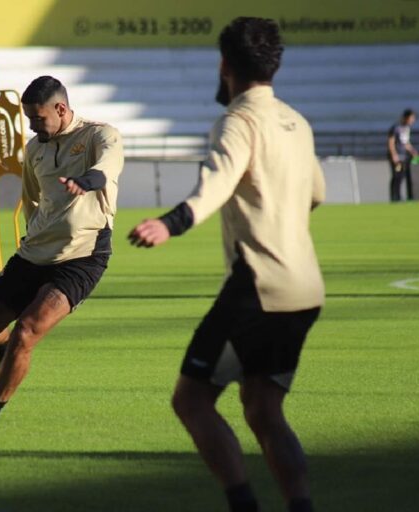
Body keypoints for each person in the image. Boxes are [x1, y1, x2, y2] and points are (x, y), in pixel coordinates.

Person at [128, 18, 324, 512]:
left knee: (191, 401)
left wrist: (170, 223)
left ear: (224, 65)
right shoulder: (296, 122)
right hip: (306, 288)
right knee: (263, 409)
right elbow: (316, 194)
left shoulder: (238, 121)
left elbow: (215, 185)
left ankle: (244, 506)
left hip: (259, 286)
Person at [0, 75, 124, 433]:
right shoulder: (34, 149)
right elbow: (31, 198)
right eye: (29, 119)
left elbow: (108, 168)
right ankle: (8, 351)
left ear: (61, 109)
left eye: (38, 118)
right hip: (34, 253)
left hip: (82, 255)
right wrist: (32, 233)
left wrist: (87, 181)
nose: (33, 126)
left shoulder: (99, 135)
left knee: (27, 331)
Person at [387, 109, 418, 202]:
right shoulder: (396, 127)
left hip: (403, 156)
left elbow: (405, 143)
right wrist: (394, 155)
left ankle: (399, 197)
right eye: (411, 118)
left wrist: (413, 151)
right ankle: (394, 198)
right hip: (396, 157)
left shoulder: (406, 128)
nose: (412, 121)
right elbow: (391, 142)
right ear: (406, 117)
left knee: (401, 176)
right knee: (396, 176)